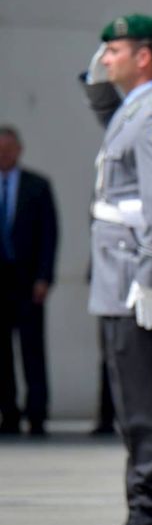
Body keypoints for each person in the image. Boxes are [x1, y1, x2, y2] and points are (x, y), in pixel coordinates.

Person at [79, 14, 152, 525]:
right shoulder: (130, 110)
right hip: (119, 277)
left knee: (146, 404)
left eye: (115, 49)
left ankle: (149, 518)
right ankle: (143, 514)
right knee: (132, 402)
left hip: (137, 282)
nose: (106, 57)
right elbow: (98, 97)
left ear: (143, 56)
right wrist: (98, 63)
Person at [0, 125, 58, 436]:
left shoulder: (37, 186)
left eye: (8, 149)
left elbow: (49, 235)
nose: (3, 154)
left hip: (27, 281)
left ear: (19, 150)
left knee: (32, 349)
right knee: (2, 354)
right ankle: (8, 412)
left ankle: (37, 413)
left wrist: (44, 277)